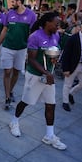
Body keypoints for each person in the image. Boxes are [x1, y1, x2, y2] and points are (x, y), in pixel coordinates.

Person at [8, 12, 67, 150]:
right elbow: (32, 59)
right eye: (56, 23)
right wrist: (46, 73)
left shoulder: (56, 35)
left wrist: (55, 61)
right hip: (35, 75)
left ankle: (49, 135)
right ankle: (14, 121)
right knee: (26, 101)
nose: (58, 26)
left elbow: (53, 52)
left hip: (48, 76)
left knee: (51, 105)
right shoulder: (35, 37)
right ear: (47, 23)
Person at [0, 0, 37, 110]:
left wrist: (32, 50)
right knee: (7, 72)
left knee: (16, 72)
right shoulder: (9, 14)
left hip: (22, 49)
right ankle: (7, 97)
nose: (11, 4)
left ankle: (11, 90)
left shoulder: (31, 16)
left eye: (13, 2)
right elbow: (4, 30)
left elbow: (33, 34)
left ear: (19, 2)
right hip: (8, 47)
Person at [61, 19, 82, 112]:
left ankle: (71, 93)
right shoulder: (73, 38)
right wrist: (65, 68)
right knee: (68, 84)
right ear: (80, 27)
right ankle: (65, 102)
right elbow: (66, 54)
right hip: (73, 65)